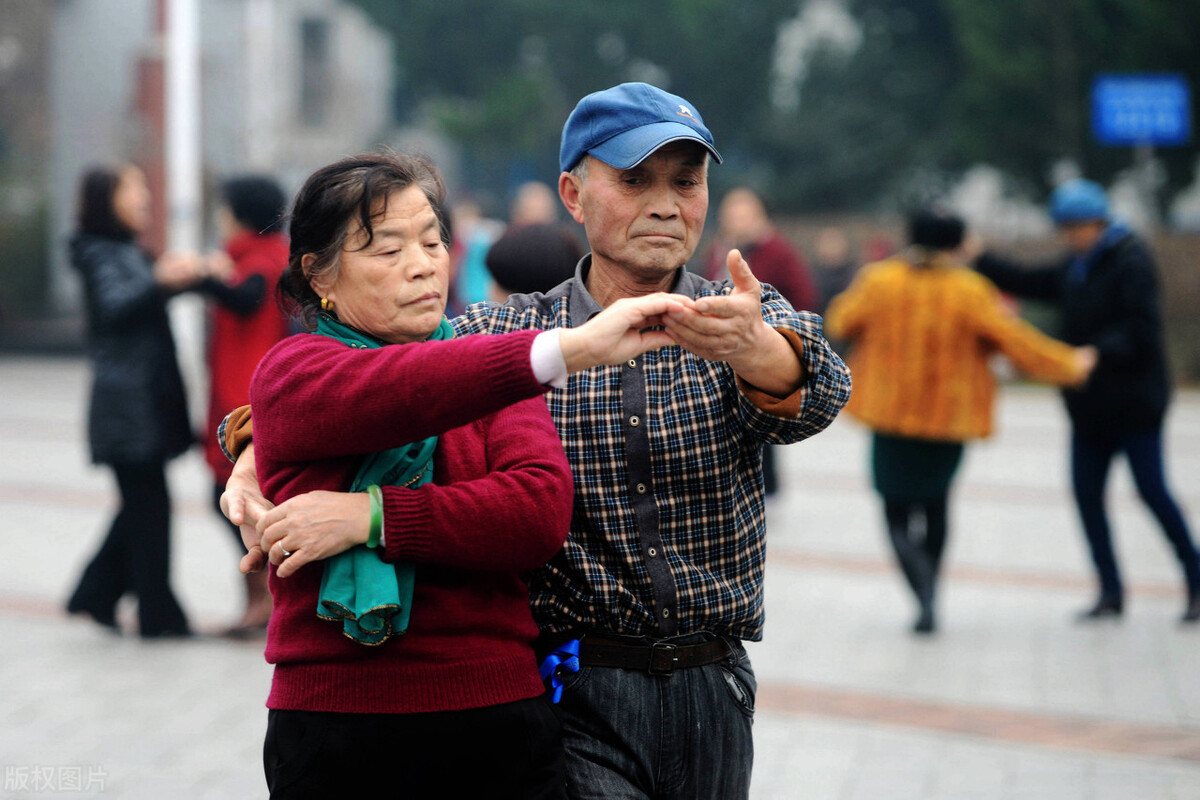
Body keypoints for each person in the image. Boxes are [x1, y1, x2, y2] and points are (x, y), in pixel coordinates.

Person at [223, 82, 852, 798]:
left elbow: (821, 390)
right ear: (573, 195)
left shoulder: (738, 314)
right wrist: (251, 451)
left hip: (713, 682)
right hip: (576, 686)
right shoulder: (513, 333)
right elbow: (383, 380)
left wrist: (753, 347)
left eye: (687, 181)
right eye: (635, 180)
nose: (666, 203)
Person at [234, 150, 686, 798]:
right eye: (387, 251)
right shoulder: (294, 376)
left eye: (432, 240)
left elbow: (534, 513)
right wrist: (571, 348)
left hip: (497, 724)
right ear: (319, 274)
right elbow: (400, 389)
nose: (423, 265)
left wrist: (373, 517)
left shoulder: (485, 375)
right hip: (337, 727)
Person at [826, 210, 1095, 633]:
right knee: (936, 504)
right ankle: (933, 593)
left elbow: (841, 318)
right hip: (948, 416)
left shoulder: (881, 280)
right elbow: (1016, 341)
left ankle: (922, 594)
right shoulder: (969, 289)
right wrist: (1069, 364)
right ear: (955, 244)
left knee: (894, 507)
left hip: (889, 414)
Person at [970, 179, 1200, 623]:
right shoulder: (1077, 266)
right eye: (1066, 228)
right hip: (1089, 407)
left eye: (1078, 227)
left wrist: (1098, 352)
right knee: (1087, 496)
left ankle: (1195, 581)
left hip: (1135, 405)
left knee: (1153, 492)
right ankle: (1110, 592)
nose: (1071, 235)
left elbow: (1142, 328)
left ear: (1099, 223)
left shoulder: (1130, 261)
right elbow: (1028, 280)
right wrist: (980, 257)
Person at [65, 163, 200, 638]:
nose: (144, 195)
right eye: (133, 187)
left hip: (143, 399)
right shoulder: (99, 252)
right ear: (107, 197)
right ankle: (157, 616)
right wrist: (161, 280)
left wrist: (191, 277)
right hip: (128, 403)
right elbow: (119, 305)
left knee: (141, 507)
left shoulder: (124, 249)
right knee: (149, 510)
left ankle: (95, 593)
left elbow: (142, 298)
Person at [197, 175, 291, 637]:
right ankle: (259, 602)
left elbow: (245, 298)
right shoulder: (258, 258)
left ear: (240, 215)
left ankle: (264, 602)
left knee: (235, 501)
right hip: (234, 394)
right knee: (231, 501)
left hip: (244, 402)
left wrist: (205, 278)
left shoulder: (262, 261)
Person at [702, 186, 821, 496]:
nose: (736, 220)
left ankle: (764, 486)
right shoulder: (722, 247)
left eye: (743, 214)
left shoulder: (778, 251)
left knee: (763, 416)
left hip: (763, 345)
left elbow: (804, 297)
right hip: (720, 349)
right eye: (731, 214)